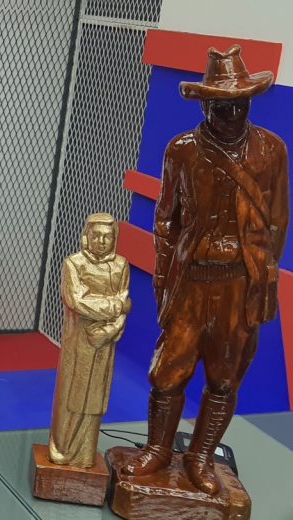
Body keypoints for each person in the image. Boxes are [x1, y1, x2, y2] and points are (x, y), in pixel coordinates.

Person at [122, 45, 288, 495]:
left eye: (239, 104)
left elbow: (277, 220)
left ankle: (200, 457)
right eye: (221, 105)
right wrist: (164, 281)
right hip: (192, 280)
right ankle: (158, 449)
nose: (231, 114)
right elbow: (166, 220)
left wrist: (260, 274)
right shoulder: (183, 151)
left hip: (239, 283)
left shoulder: (271, 150)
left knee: (225, 377)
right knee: (167, 373)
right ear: (205, 105)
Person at [48, 213, 130, 468]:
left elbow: (125, 301)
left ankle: (84, 453)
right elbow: (77, 301)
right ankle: (62, 448)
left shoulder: (121, 265)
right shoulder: (74, 264)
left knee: (95, 397)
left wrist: (111, 329)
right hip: (79, 342)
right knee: (72, 394)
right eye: (96, 236)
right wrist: (116, 306)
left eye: (107, 237)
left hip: (104, 343)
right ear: (86, 236)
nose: (101, 242)